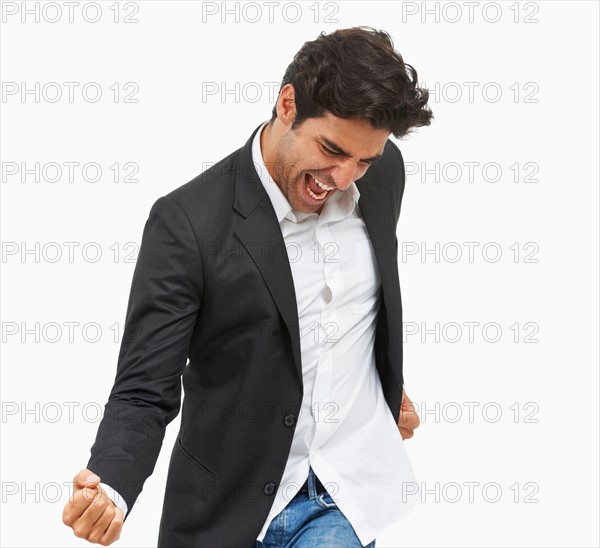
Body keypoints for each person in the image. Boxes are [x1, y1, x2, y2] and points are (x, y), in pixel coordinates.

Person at [62, 26, 433, 547]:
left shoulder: (384, 175)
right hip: (228, 508)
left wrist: (381, 385)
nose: (345, 177)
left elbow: (359, 304)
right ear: (287, 105)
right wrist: (113, 487)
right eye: (331, 149)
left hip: (344, 495)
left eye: (363, 160)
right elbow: (146, 388)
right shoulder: (186, 223)